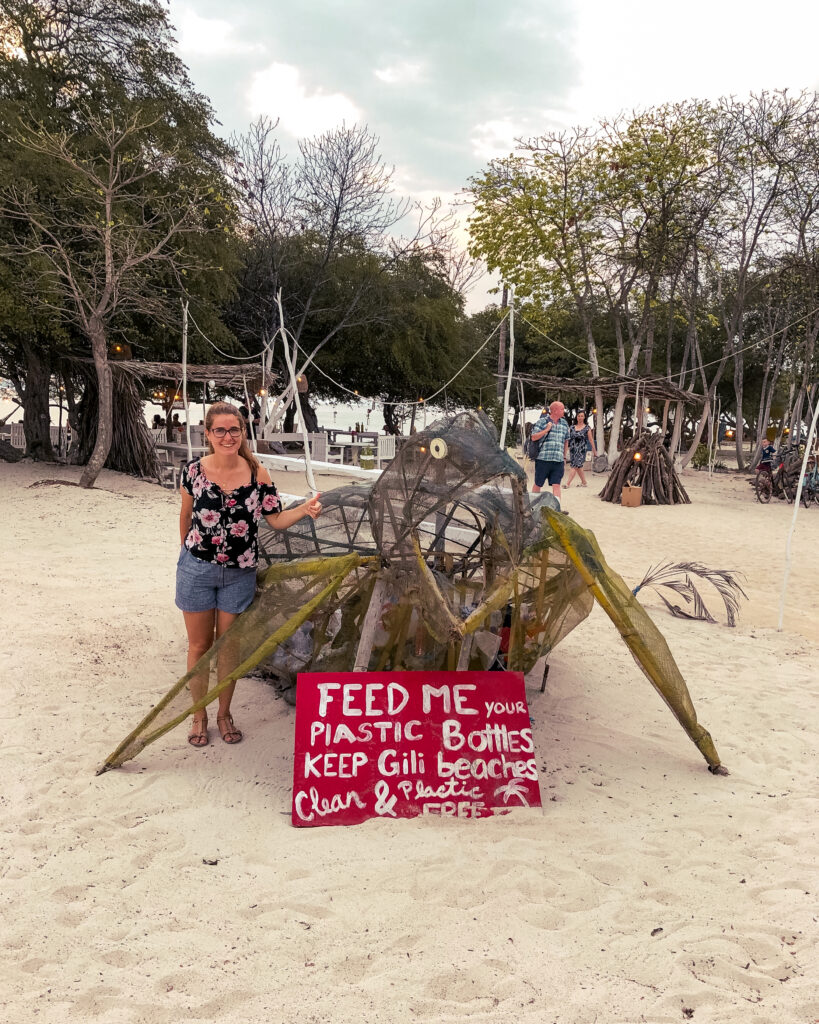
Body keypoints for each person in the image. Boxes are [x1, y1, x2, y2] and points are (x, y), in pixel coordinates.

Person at [176, 401, 322, 747]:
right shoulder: (193, 471)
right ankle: (200, 714)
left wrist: (305, 509)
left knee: (228, 648)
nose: (228, 436)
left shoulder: (259, 474)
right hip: (196, 569)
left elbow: (275, 519)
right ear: (208, 434)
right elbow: (185, 517)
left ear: (243, 433)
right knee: (199, 646)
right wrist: (187, 554)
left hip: (239, 572)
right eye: (220, 430)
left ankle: (225, 713)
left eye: (234, 429)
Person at [530, 401, 570, 500]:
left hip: (558, 460)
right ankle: (532, 505)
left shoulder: (564, 423)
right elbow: (533, 437)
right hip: (543, 459)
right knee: (538, 483)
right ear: (555, 410)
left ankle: (557, 508)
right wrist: (546, 430)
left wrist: (564, 456)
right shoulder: (542, 421)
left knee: (556, 485)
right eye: (562, 409)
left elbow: (566, 440)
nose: (563, 411)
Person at [564, 411, 597, 488]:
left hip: (581, 450)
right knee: (578, 466)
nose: (580, 417)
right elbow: (567, 439)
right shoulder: (571, 427)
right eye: (579, 416)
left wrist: (594, 450)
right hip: (572, 449)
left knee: (574, 466)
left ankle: (567, 483)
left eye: (582, 416)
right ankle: (584, 482)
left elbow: (591, 440)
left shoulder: (587, 428)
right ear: (576, 417)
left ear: (584, 417)